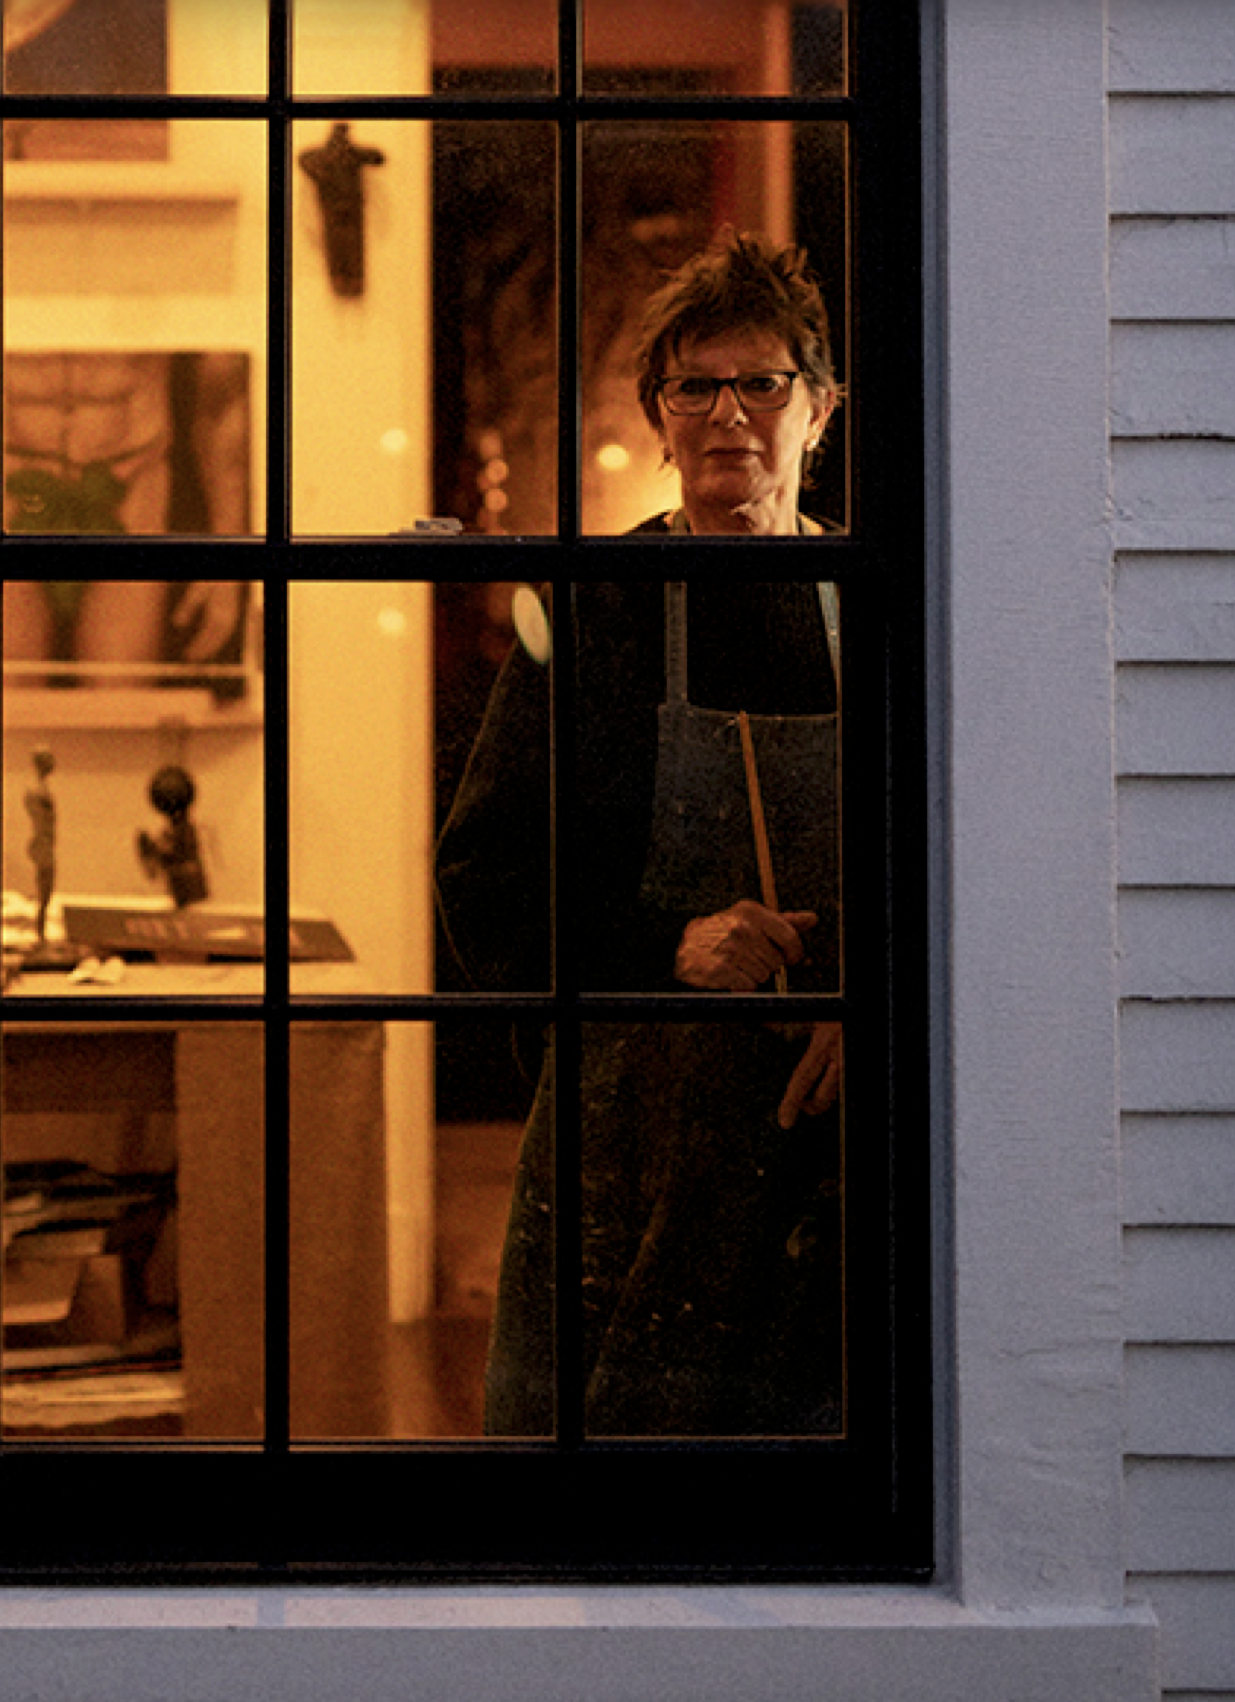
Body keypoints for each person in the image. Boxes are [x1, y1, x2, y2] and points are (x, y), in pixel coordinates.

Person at [436, 230, 847, 1438]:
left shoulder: (886, 600)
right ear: (657, 419)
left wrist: (868, 999)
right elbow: (483, 876)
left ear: (818, 411)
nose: (727, 413)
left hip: (838, 1128)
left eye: (761, 383)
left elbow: (970, 857)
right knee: (604, 1480)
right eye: (692, 386)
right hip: (633, 1133)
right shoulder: (592, 606)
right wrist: (662, 945)